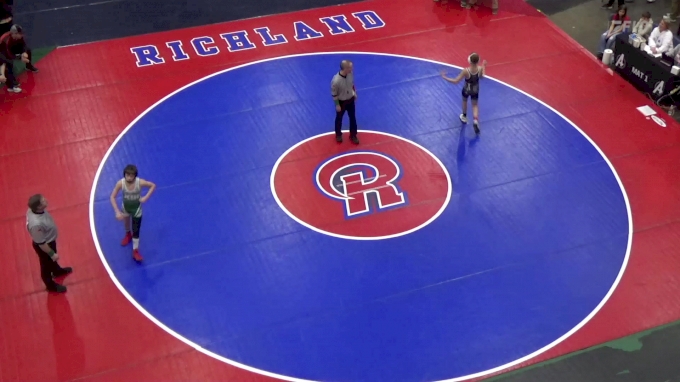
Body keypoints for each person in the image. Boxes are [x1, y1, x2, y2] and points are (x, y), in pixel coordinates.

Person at [26, 194, 73, 293]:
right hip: (45, 246)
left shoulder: (32, 210)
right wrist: (52, 253)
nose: (46, 200)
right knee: (45, 265)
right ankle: (50, 285)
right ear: (38, 207)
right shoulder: (36, 224)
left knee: (51, 262)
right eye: (43, 201)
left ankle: (56, 271)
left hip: (49, 240)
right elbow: (41, 243)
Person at [109, 164, 156, 262]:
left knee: (136, 230)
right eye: (127, 175)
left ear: (135, 176)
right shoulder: (120, 183)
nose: (129, 177)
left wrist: (145, 198)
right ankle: (127, 234)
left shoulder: (140, 182)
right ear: (124, 174)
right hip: (126, 208)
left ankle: (135, 251)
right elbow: (112, 197)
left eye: (131, 175)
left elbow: (152, 186)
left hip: (137, 210)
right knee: (126, 223)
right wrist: (117, 211)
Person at [440, 53, 487, 134]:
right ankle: (475, 120)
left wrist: (445, 77)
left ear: (470, 61)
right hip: (475, 89)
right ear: (477, 61)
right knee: (475, 105)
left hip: (466, 89)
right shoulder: (479, 69)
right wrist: (483, 66)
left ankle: (464, 116)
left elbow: (456, 81)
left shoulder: (466, 71)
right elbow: (482, 77)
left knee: (464, 101)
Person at [0, 24, 38, 93]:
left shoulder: (19, 37)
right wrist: (20, 58)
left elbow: (23, 45)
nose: (21, 35)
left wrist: (24, 53)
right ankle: (11, 85)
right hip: (3, 52)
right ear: (14, 34)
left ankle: (28, 66)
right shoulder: (5, 40)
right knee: (8, 63)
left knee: (28, 50)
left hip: (13, 48)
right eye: (19, 34)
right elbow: (8, 54)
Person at [331, 60, 359, 144]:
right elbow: (334, 94)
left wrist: (354, 93)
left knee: (353, 118)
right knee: (339, 119)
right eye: (350, 67)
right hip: (341, 102)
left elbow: (352, 85)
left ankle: (353, 135)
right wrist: (337, 105)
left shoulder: (350, 74)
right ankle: (338, 134)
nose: (352, 68)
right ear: (345, 68)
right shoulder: (336, 81)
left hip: (350, 99)